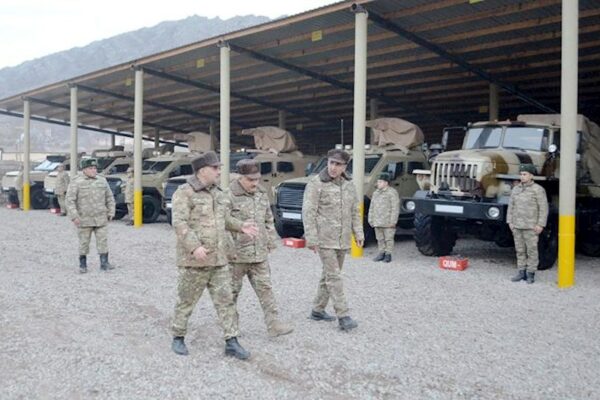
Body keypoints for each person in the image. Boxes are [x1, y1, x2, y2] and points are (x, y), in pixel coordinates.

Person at [170, 151, 259, 360]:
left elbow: (224, 219)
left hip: (219, 259)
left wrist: (240, 226)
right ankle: (178, 336)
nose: (219, 171)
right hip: (195, 260)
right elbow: (179, 223)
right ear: (202, 171)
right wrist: (194, 247)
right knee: (186, 300)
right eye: (215, 168)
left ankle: (232, 341)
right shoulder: (185, 193)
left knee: (226, 301)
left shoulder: (218, 193)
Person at [227, 159, 294, 337]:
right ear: (240, 177)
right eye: (250, 180)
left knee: (266, 290)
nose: (255, 183)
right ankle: (231, 330)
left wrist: (270, 241)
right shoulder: (227, 195)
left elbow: (268, 219)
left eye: (257, 179)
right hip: (236, 256)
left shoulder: (261, 193)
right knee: (230, 294)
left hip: (259, 255)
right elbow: (221, 223)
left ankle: (274, 325)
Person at [302, 148, 364, 331]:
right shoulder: (316, 184)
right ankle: (343, 316)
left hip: (342, 239)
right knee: (335, 277)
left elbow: (354, 210)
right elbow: (308, 212)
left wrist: (358, 233)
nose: (333, 168)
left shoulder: (348, 185)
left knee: (328, 275)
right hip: (324, 239)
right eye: (331, 163)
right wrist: (311, 238)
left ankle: (317, 310)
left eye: (338, 164)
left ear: (345, 166)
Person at [65, 158, 116, 273]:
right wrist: (74, 216)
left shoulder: (102, 181)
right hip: (84, 219)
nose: (94, 170)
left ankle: (104, 263)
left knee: (103, 241)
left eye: (95, 168)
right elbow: (70, 201)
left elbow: (109, 197)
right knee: (84, 243)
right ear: (84, 169)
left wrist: (111, 212)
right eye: (91, 168)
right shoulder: (76, 182)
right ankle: (82, 265)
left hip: (101, 218)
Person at [507, 163, 548, 284]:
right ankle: (521, 272)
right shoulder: (516, 189)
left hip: (531, 226)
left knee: (532, 251)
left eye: (525, 174)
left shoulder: (538, 190)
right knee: (520, 250)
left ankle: (530, 273)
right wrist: (510, 221)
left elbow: (543, 208)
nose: (522, 176)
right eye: (521, 174)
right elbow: (511, 206)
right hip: (517, 225)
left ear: (531, 176)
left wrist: (540, 224)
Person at [368, 172, 400, 263]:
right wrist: (370, 219)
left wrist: (393, 221)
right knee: (380, 239)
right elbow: (372, 207)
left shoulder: (392, 193)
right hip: (377, 221)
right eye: (378, 182)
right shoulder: (375, 193)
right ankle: (381, 253)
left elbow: (395, 207)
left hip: (388, 221)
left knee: (388, 239)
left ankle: (388, 254)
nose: (378, 184)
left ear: (386, 183)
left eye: (380, 182)